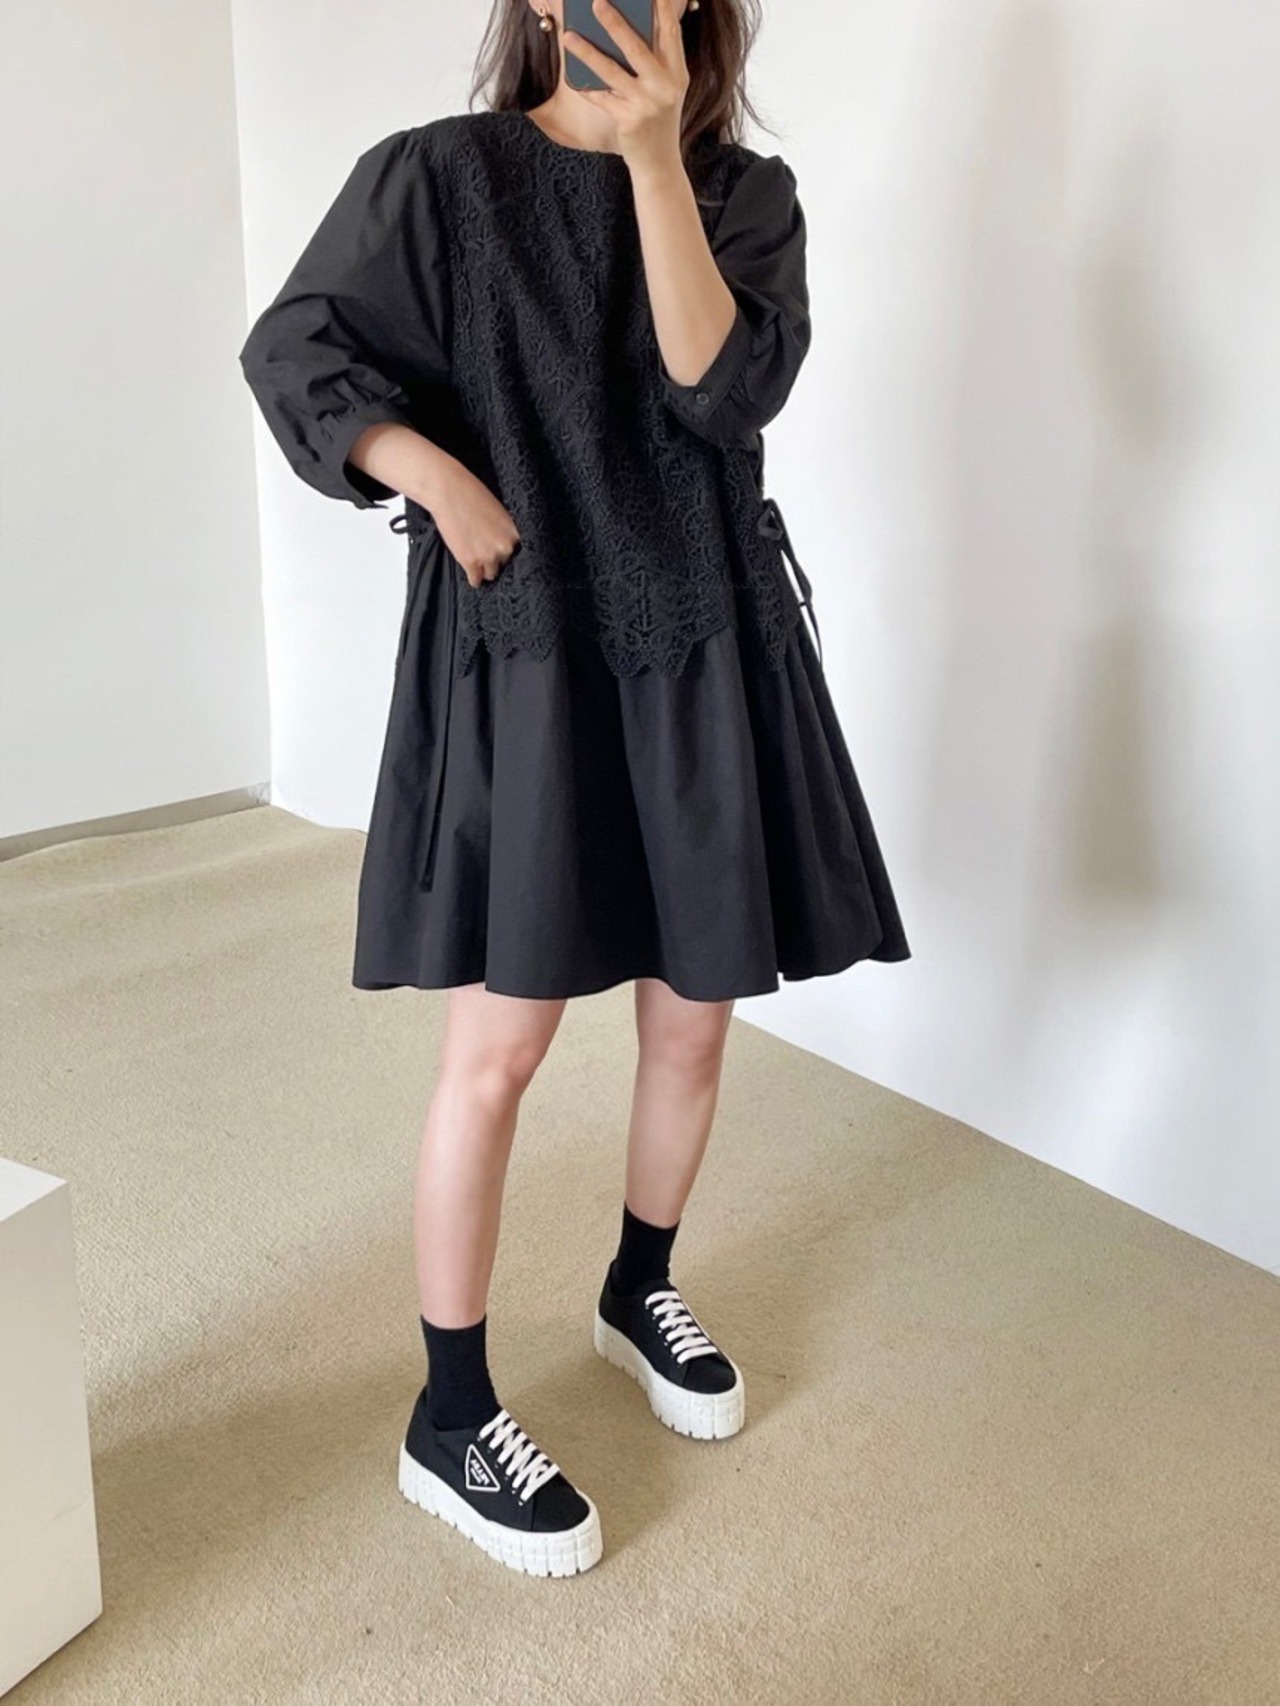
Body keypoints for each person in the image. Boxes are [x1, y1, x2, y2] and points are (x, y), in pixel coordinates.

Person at [238, 0, 911, 1579]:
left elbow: (719, 394)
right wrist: (432, 472)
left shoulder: (741, 195)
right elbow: (296, 345)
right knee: (500, 1048)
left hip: (703, 649)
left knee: (693, 1019)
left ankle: (638, 1283)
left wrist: (657, 162)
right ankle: (450, 1408)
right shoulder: (438, 177)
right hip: (530, 649)